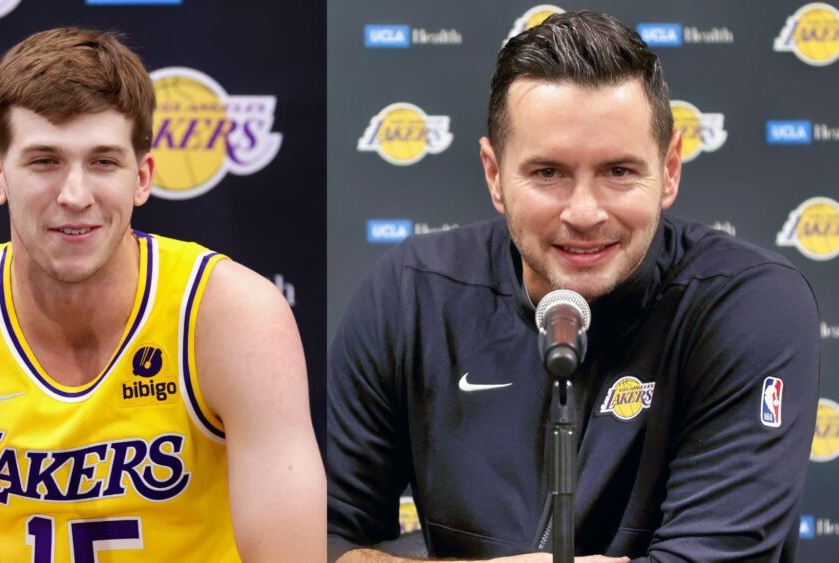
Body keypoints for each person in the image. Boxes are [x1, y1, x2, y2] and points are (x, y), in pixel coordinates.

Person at [0, 27, 324, 562]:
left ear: (142, 177)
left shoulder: (230, 314)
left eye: (103, 162)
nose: (75, 195)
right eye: (44, 162)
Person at [327, 10, 818, 563]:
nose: (584, 213)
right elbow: (315, 539)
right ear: (494, 175)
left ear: (671, 169)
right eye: (547, 173)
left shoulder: (748, 305)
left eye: (619, 172)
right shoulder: (413, 294)